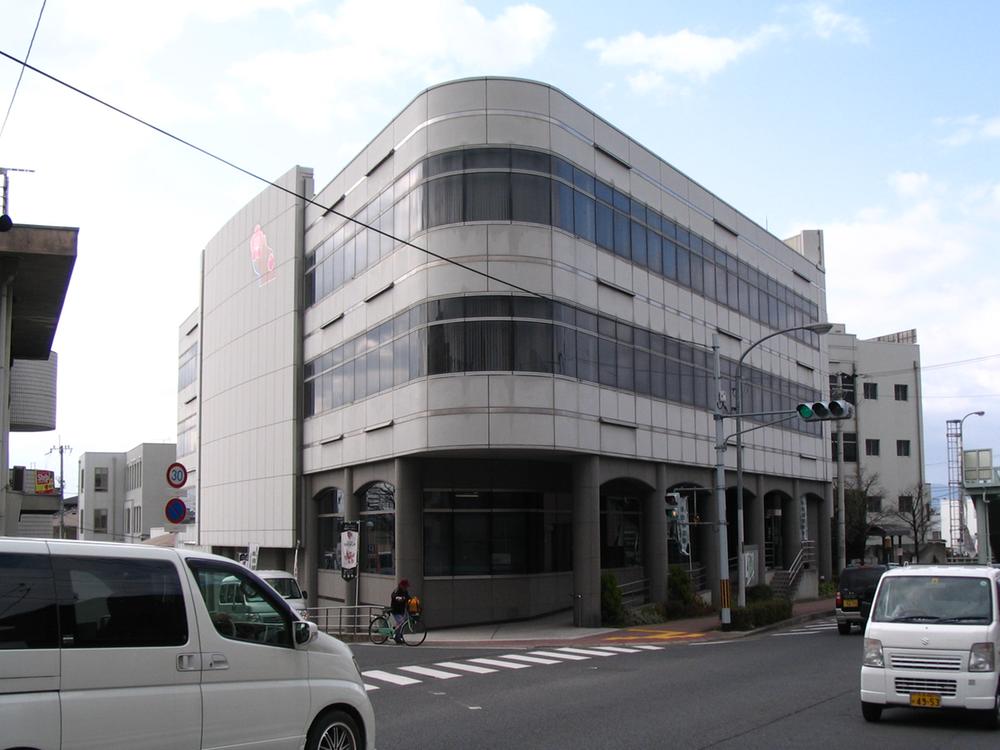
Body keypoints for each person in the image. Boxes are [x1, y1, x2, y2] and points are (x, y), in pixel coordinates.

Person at [389, 579, 410, 644]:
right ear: (401, 585)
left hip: (402, 610)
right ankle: (395, 635)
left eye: (406, 586)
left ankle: (399, 637)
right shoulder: (397, 590)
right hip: (395, 610)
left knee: (401, 623)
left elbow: (408, 597)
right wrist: (399, 598)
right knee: (401, 622)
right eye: (405, 586)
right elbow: (393, 596)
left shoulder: (405, 591)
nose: (406, 588)